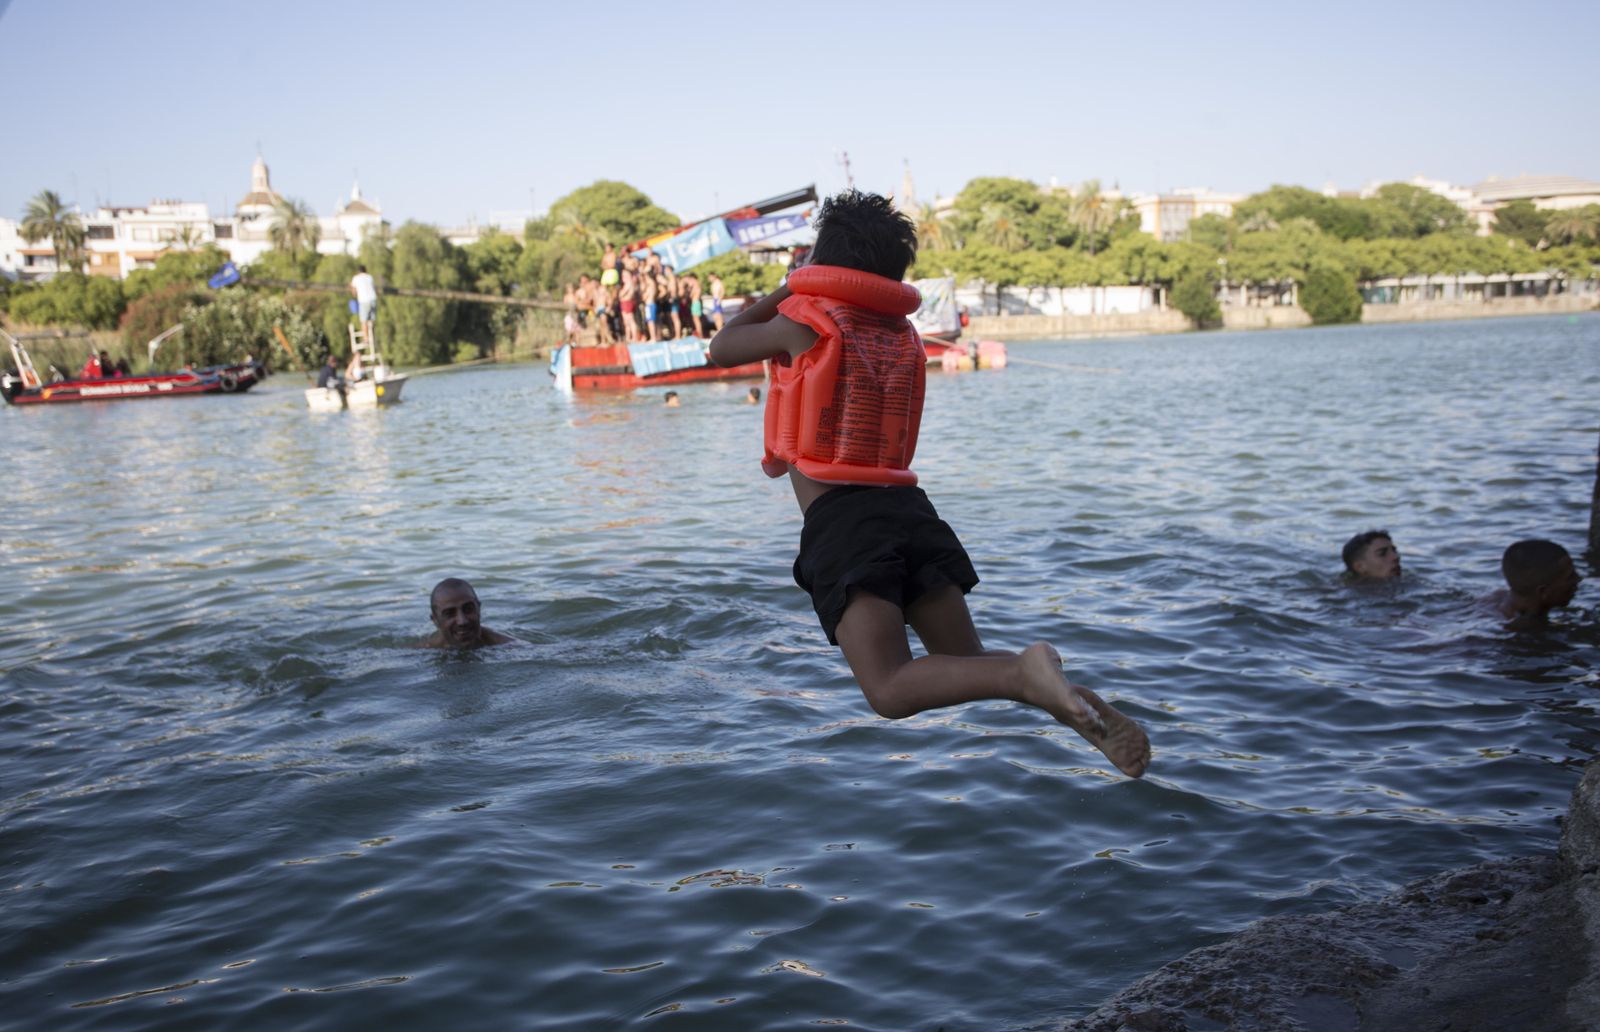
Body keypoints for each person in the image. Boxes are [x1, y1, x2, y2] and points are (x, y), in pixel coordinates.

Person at [707, 190, 1150, 778]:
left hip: (847, 525)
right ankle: (1062, 698)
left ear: (823, 265)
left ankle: (1027, 674)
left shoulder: (804, 324)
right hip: (912, 512)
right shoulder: (902, 334)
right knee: (964, 661)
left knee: (889, 689)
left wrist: (791, 285)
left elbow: (721, 346)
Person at [1489, 539, 1583, 629]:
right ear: (1543, 591)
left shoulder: (1498, 596)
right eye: (1570, 577)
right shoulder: (1528, 630)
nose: (1579, 579)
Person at [422, 578, 519, 648]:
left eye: (468, 609)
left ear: (479, 609)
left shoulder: (509, 646)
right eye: (450, 613)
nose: (462, 621)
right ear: (435, 621)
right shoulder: (422, 650)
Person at [350, 264, 379, 344]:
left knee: (364, 321)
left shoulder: (356, 278)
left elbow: (353, 290)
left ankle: (366, 339)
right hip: (373, 299)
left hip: (364, 300)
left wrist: (354, 295)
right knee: (372, 320)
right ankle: (372, 335)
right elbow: (374, 288)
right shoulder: (369, 277)